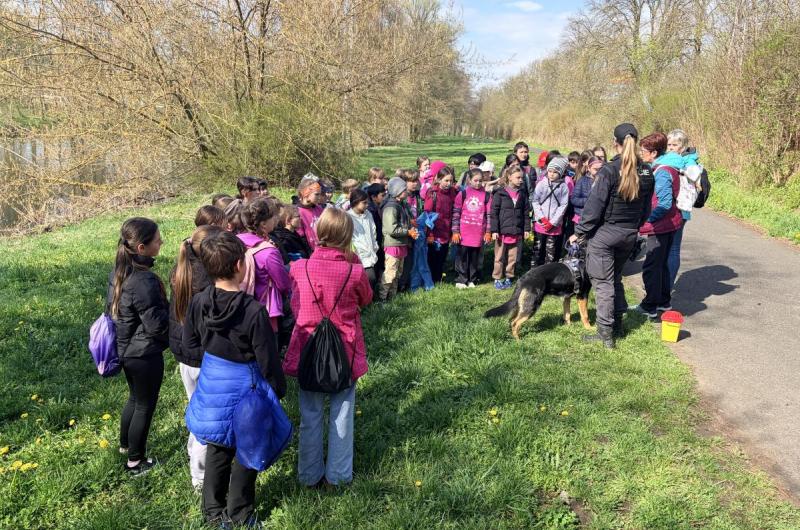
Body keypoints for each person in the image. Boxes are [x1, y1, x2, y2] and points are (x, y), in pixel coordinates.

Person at [183, 230, 286, 526]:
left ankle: (212, 511)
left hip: (214, 379)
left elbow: (190, 343)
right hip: (246, 385)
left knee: (218, 445)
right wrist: (277, 389)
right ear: (241, 265)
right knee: (247, 446)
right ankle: (240, 513)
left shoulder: (199, 300)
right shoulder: (254, 311)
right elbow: (267, 357)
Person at [282, 208, 372, 487]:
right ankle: (339, 475)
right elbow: (366, 299)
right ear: (346, 236)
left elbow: (294, 306)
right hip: (344, 349)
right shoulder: (354, 271)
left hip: (308, 347)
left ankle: (309, 475)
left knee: (310, 414)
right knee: (342, 413)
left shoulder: (298, 268)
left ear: (318, 233)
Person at [569, 123, 655, 348]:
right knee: (615, 279)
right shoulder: (646, 171)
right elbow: (646, 209)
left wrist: (580, 232)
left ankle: (606, 334)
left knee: (604, 283)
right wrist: (635, 227)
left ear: (614, 143)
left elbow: (594, 207)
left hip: (605, 234)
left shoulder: (608, 171)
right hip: (629, 234)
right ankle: (617, 323)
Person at [106, 217, 169, 475]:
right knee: (145, 405)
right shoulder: (144, 281)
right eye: (156, 240)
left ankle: (125, 445)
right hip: (144, 353)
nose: (161, 242)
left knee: (134, 398)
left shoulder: (119, 272)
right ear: (141, 248)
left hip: (126, 351)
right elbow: (156, 325)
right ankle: (135, 461)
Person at [169, 224, 222, 490]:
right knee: (207, 419)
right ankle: (200, 476)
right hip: (204, 356)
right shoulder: (209, 281)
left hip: (183, 355)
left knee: (194, 407)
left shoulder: (180, 270)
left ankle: (194, 454)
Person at [631, 132, 683, 318]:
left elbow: (664, 203)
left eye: (644, 150)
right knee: (661, 266)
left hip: (660, 227)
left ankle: (650, 306)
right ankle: (663, 301)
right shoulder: (667, 167)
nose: (641, 153)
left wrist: (645, 221)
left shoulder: (661, 172)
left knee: (652, 267)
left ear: (653, 153)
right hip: (670, 225)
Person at [237, 198, 292, 335]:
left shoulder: (235, 241)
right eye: (273, 217)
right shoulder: (268, 252)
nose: (276, 219)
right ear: (263, 224)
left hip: (240, 303)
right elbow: (284, 284)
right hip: (265, 308)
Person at [666, 128, 698, 291]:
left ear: (683, 146)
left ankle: (667, 287)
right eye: (669, 144)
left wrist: (680, 169)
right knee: (668, 248)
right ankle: (664, 286)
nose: (671, 148)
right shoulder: (677, 159)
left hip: (680, 208)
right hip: (671, 206)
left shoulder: (687, 161)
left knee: (672, 248)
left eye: (675, 145)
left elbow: (693, 177)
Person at [490, 166, 531, 290]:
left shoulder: (522, 194)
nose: (521, 180)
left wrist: (526, 229)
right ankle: (497, 278)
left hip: (516, 231)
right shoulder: (500, 193)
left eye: (522, 178)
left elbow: (526, 213)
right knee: (499, 257)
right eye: (518, 178)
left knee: (512, 257)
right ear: (509, 177)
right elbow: (494, 213)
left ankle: (509, 276)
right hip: (502, 232)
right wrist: (494, 230)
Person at [452, 168, 491, 288]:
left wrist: (488, 231)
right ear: (469, 180)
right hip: (464, 232)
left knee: (474, 257)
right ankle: (461, 279)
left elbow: (489, 215)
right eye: (475, 180)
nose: (478, 183)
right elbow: (456, 212)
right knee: (462, 256)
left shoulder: (487, 196)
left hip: (478, 233)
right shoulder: (462, 194)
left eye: (480, 181)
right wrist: (455, 231)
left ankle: (471, 279)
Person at [380, 178, 416, 301]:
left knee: (397, 273)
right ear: (397, 191)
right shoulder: (391, 207)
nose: (406, 191)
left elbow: (404, 222)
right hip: (393, 245)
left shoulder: (401, 204)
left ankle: (392, 297)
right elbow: (391, 229)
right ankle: (382, 298)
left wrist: (411, 224)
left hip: (401, 244)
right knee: (390, 273)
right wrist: (408, 232)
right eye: (404, 189)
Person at [531, 157, 570, 267]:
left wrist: (553, 222)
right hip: (541, 224)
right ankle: (533, 272)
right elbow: (535, 201)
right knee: (537, 250)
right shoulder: (542, 184)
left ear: (561, 173)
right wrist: (542, 218)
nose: (552, 174)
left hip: (554, 226)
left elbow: (563, 205)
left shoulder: (563, 187)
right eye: (550, 171)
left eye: (555, 172)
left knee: (550, 252)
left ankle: (548, 273)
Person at [423, 165, 458, 283]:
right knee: (433, 257)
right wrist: (429, 233)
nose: (448, 183)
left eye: (451, 181)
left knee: (443, 255)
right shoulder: (433, 193)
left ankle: (438, 278)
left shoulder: (453, 192)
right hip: (434, 230)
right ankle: (432, 279)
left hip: (447, 229)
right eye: (446, 180)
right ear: (439, 179)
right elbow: (427, 214)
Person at [347, 189, 380, 293]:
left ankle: (370, 300)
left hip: (371, 252)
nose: (367, 205)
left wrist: (374, 246)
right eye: (364, 203)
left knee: (373, 279)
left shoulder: (368, 214)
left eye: (367, 202)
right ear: (355, 202)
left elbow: (373, 230)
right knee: (370, 278)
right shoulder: (348, 217)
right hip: (359, 255)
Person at [571, 156, 603, 223]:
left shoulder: (604, 182)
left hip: (596, 218)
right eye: (595, 169)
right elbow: (574, 199)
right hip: (581, 217)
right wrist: (589, 200)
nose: (598, 172)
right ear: (588, 168)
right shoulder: (582, 181)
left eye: (600, 169)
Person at [296, 177, 325, 251]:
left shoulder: (319, 209)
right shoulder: (298, 212)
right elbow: (301, 236)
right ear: (305, 194)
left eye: (320, 194)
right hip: (309, 251)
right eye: (316, 194)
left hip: (322, 248)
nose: (319, 197)